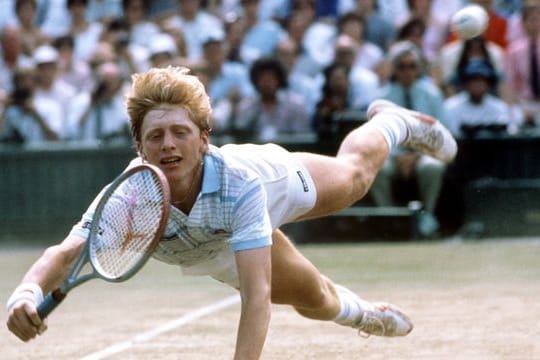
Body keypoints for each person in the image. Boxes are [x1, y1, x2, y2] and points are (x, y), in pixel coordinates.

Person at [6, 66, 457, 359]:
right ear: (139, 146)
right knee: (313, 300)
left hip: (268, 185)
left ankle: (394, 122)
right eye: (155, 135)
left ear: (204, 139)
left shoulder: (240, 184)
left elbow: (255, 297)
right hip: (207, 248)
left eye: (181, 132)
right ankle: (364, 313)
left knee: (354, 179)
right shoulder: (128, 197)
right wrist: (25, 293)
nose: (168, 145)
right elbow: (67, 253)